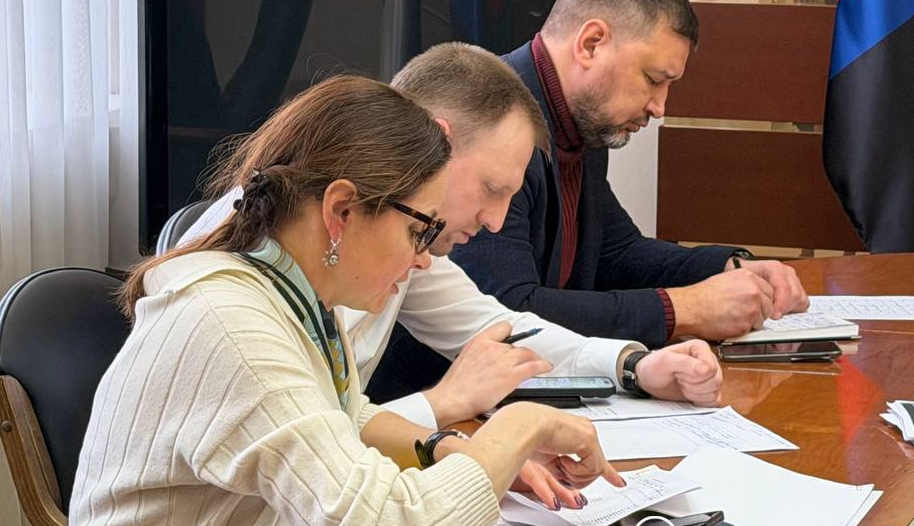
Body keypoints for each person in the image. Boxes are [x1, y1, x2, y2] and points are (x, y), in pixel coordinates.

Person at [37, 76, 621, 526]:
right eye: (418, 231)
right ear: (341, 210)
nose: (423, 260)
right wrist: (518, 428)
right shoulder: (233, 325)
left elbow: (343, 415)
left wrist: (451, 451)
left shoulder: (291, 291)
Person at [183, 42, 724, 425]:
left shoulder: (400, 238)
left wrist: (631, 365)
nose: (496, 220)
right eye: (492, 188)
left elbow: (496, 327)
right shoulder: (250, 280)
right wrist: (447, 406)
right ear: (438, 144)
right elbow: (315, 453)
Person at [449, 0, 809, 348]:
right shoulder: (488, 121)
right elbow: (506, 312)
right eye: (653, 80)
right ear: (591, 44)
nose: (660, 107)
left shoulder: (580, 118)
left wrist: (729, 266)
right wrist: (684, 309)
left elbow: (615, 253)